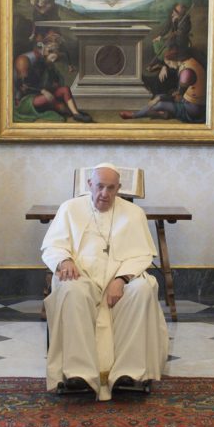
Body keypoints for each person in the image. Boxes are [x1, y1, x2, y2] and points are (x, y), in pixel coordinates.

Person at [41, 163, 169, 400]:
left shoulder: (133, 214)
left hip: (121, 278)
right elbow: (52, 246)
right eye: (100, 186)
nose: (105, 194)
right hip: (81, 276)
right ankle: (78, 375)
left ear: (119, 188)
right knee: (71, 291)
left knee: (142, 289)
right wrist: (64, 261)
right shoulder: (70, 209)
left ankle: (129, 374)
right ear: (89, 184)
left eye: (111, 188)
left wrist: (121, 279)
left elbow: (143, 254)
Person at [15, 30, 95, 123]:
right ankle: (64, 110)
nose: (54, 53)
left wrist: (53, 85)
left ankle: (76, 114)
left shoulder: (49, 64)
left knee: (65, 89)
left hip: (45, 93)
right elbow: (23, 85)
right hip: (28, 98)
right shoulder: (31, 62)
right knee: (53, 102)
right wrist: (43, 91)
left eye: (56, 49)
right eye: (51, 50)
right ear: (44, 50)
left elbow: (54, 81)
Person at [119, 45, 205, 123]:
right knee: (159, 98)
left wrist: (159, 98)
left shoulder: (186, 73)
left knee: (160, 104)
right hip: (190, 102)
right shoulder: (188, 62)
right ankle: (164, 114)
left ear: (175, 59)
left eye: (169, 63)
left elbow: (178, 97)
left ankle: (134, 115)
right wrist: (161, 67)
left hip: (193, 109)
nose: (169, 66)